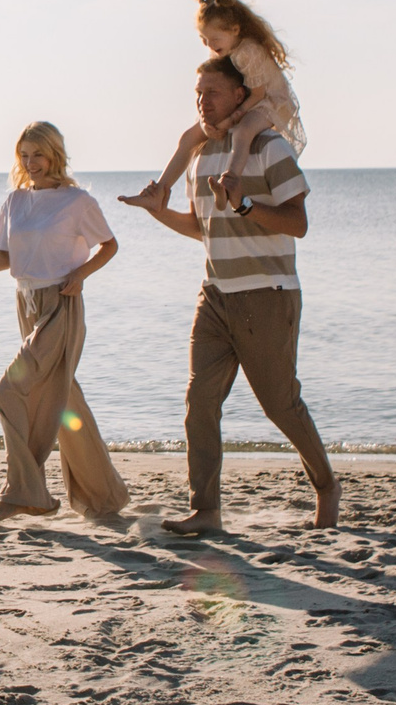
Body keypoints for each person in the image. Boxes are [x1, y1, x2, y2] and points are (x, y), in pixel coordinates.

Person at [120, 57, 339, 533]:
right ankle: (206, 510)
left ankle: (325, 486)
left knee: (280, 404)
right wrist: (158, 211)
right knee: (200, 401)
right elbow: (204, 228)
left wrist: (244, 202)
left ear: (241, 95)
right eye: (198, 93)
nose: (202, 102)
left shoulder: (268, 147)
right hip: (215, 294)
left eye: (213, 92)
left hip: (267, 293)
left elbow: (298, 223)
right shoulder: (200, 154)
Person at [0, 122, 132, 523]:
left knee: (9, 392)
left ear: (54, 154)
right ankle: (106, 497)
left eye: (37, 154)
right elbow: (8, 256)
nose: (29, 163)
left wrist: (81, 274)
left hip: (61, 305)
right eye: (23, 155)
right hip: (26, 302)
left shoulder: (77, 201)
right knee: (64, 400)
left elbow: (110, 245)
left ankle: (22, 491)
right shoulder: (16, 201)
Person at [143, 0, 306, 210]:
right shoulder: (224, 49)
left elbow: (258, 94)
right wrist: (206, 124)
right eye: (204, 40)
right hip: (243, 100)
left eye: (214, 39)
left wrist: (231, 119)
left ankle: (229, 184)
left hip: (269, 102)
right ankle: (160, 189)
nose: (209, 46)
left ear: (235, 30)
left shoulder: (249, 51)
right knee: (190, 136)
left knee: (243, 131)